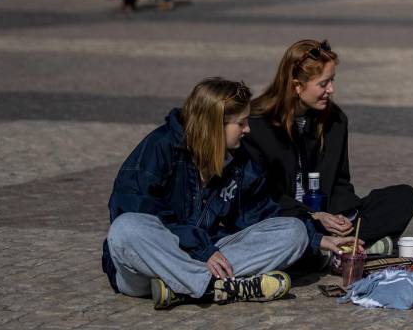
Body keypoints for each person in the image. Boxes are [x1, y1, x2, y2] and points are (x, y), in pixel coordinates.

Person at [101, 78, 361, 310]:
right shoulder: (160, 147)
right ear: (215, 125)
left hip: (207, 254)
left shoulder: (238, 160)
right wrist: (198, 247)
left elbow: (260, 212)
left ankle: (184, 288)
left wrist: (318, 239)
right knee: (126, 228)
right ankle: (208, 286)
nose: (248, 129)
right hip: (152, 264)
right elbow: (131, 207)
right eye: (241, 123)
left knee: (292, 231)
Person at [243, 39, 413, 266]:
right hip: (287, 216)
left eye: (332, 81)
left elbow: (340, 181)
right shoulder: (257, 126)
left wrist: (341, 215)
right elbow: (261, 197)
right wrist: (312, 216)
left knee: (403, 197)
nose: (331, 90)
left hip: (326, 217)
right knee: (290, 230)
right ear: (296, 85)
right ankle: (340, 248)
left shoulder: (334, 120)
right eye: (323, 84)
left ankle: (334, 248)